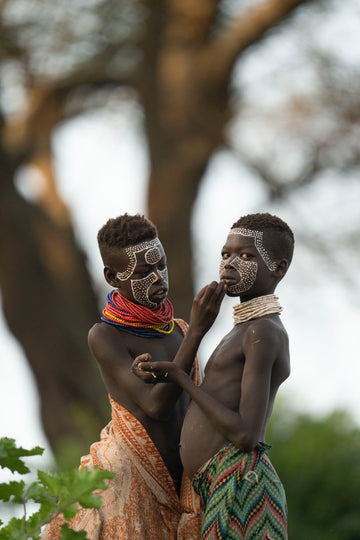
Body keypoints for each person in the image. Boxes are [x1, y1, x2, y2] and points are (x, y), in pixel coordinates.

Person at [133, 212, 294, 539]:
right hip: (220, 485)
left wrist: (181, 379)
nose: (230, 264)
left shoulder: (263, 331)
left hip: (242, 485)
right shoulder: (243, 329)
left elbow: (246, 435)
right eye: (225, 254)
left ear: (278, 268)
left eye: (246, 256)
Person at [41, 214, 202, 540]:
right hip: (128, 479)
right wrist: (199, 333)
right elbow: (155, 407)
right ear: (113, 277)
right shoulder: (106, 336)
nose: (158, 278)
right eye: (144, 273)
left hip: (186, 486)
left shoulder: (179, 331)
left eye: (161, 266)